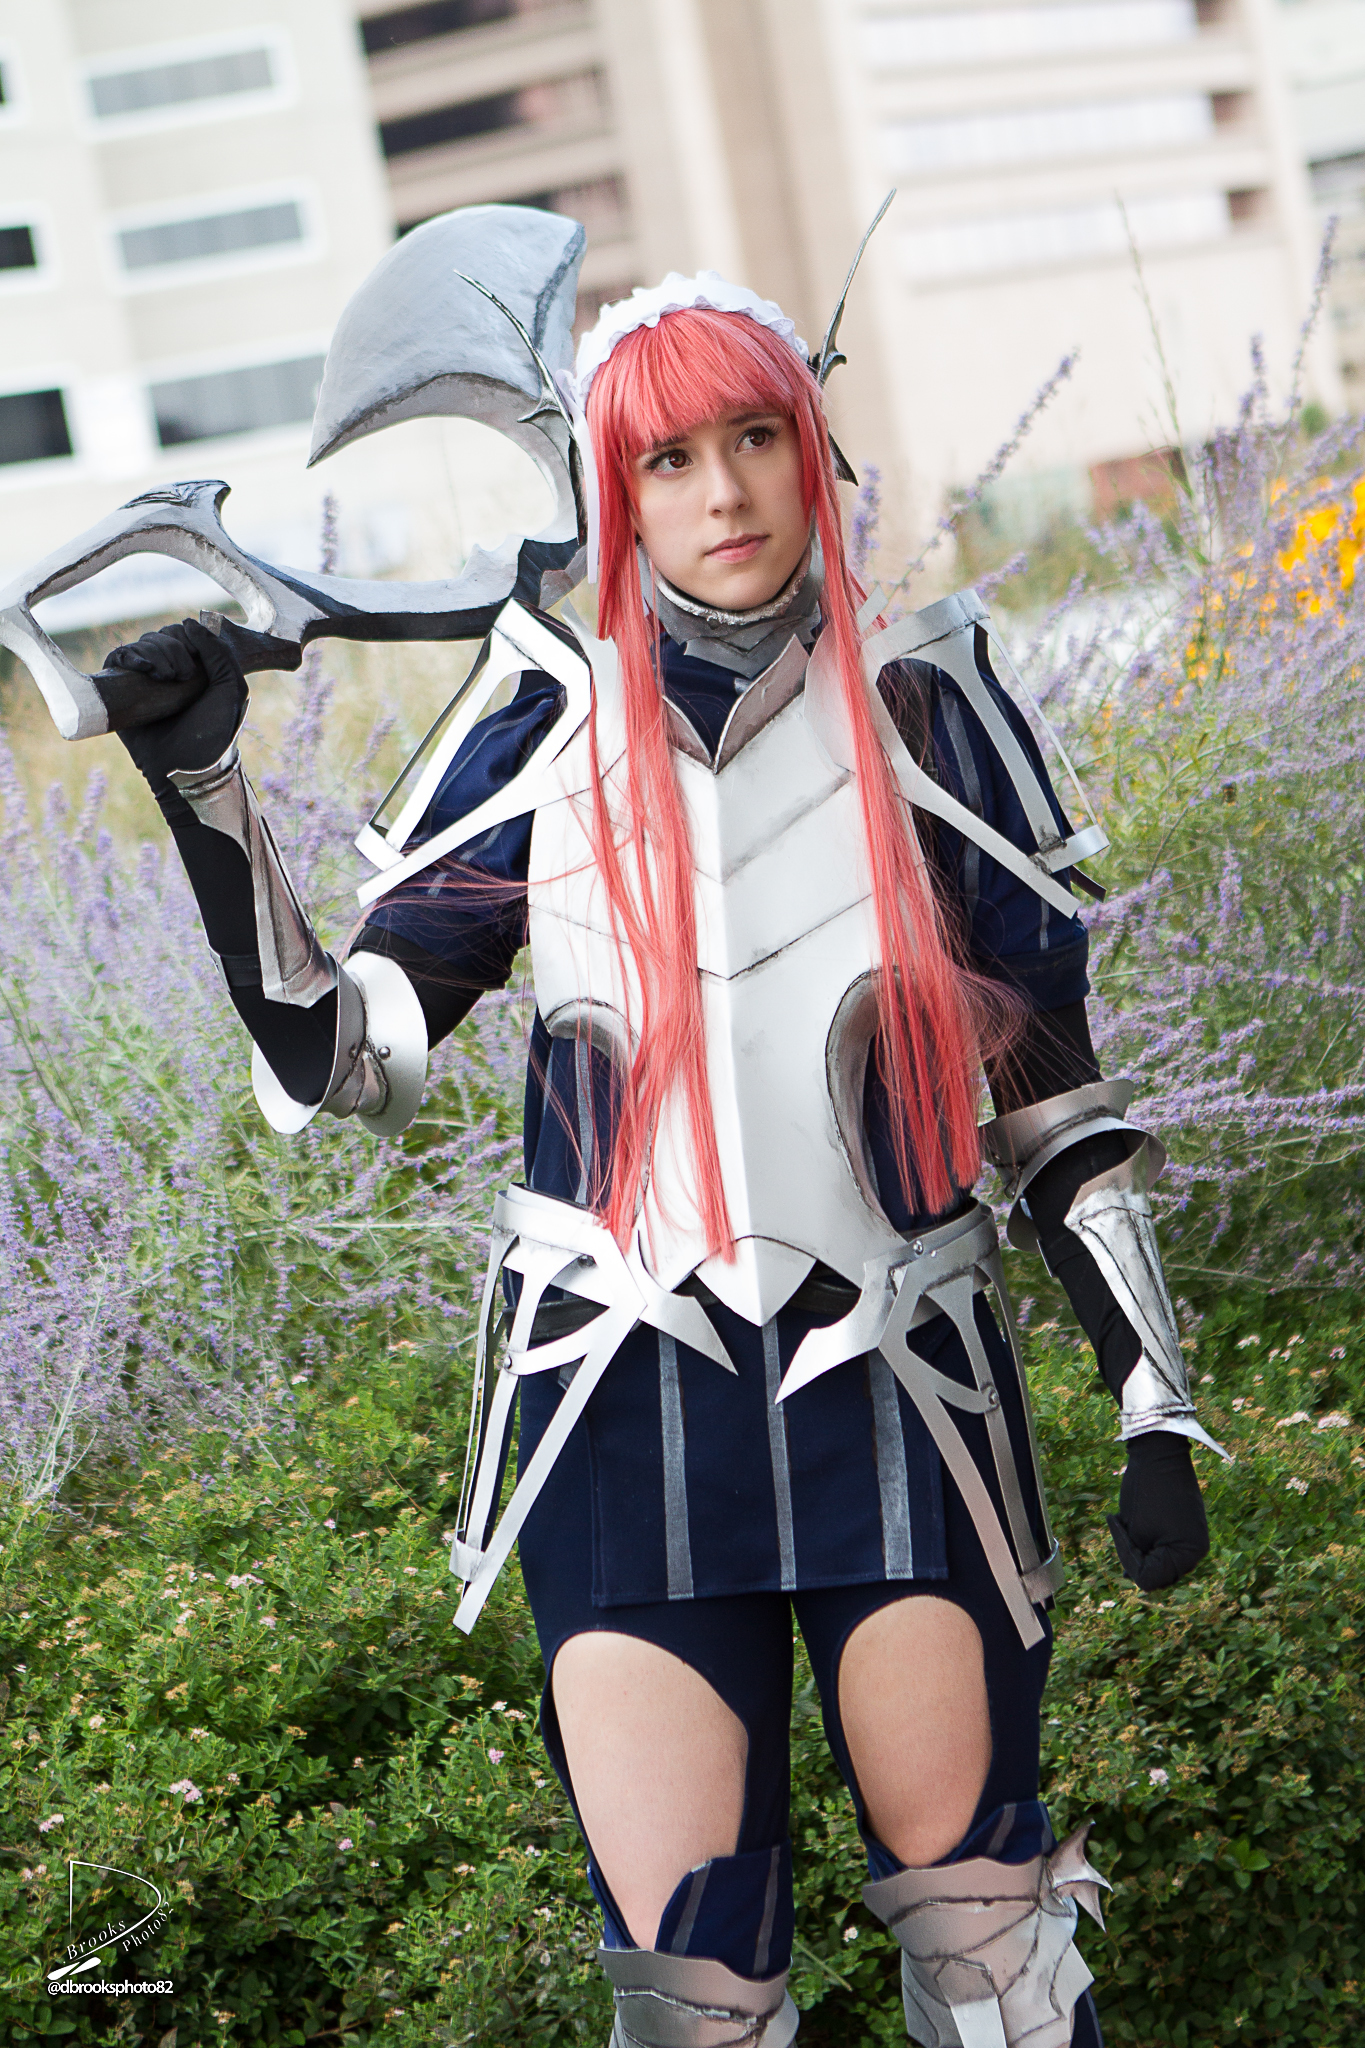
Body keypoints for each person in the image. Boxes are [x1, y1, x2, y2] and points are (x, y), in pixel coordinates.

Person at [107, 269, 1221, 2048]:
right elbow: (344, 1056)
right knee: (694, 1998)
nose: (723, 492)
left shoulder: (927, 708)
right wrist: (202, 795)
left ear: (810, 448)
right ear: (612, 494)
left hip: (903, 1390)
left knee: (991, 1958)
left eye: (755, 437)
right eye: (669, 458)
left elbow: (1051, 1111)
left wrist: (1152, 1405)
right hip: (614, 1406)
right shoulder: (540, 715)